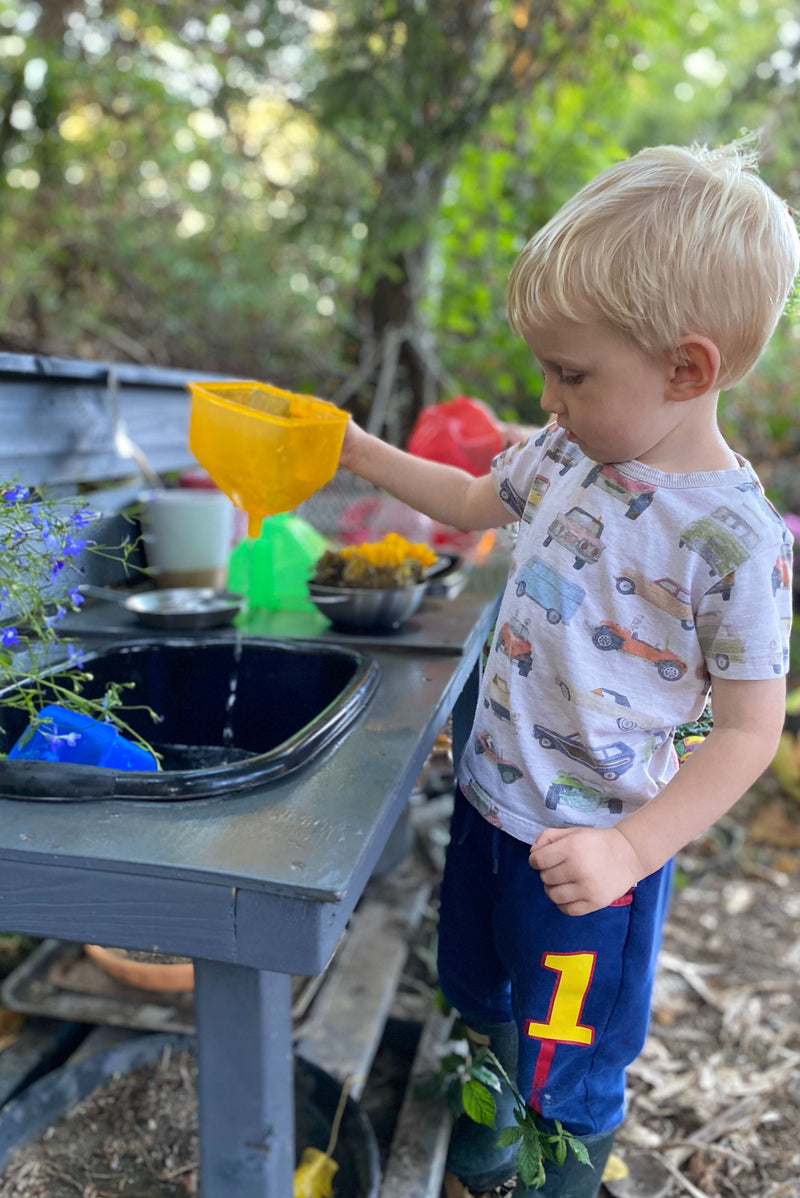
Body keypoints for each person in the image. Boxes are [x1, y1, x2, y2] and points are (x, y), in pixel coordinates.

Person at [338, 137, 799, 1197]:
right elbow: (464, 504)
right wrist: (360, 450)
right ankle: (485, 1143)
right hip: (490, 806)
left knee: (571, 1058)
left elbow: (743, 732)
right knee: (478, 991)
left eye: (570, 372)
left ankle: (556, 1174)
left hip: (593, 859)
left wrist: (630, 850)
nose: (544, 398)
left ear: (687, 367)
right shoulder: (563, 452)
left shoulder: (729, 541)